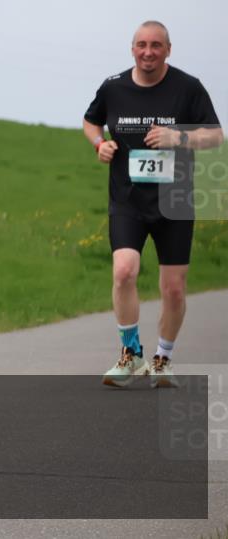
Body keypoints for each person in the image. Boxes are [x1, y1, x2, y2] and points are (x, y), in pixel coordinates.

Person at [83, 20, 222, 389]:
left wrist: (177, 135)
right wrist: (101, 145)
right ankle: (131, 355)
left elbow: (215, 136)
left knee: (173, 288)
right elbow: (90, 122)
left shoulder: (188, 88)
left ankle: (162, 358)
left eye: (156, 45)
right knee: (124, 271)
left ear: (168, 50)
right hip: (127, 199)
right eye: (142, 45)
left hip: (175, 200)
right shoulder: (113, 87)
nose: (148, 52)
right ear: (132, 48)